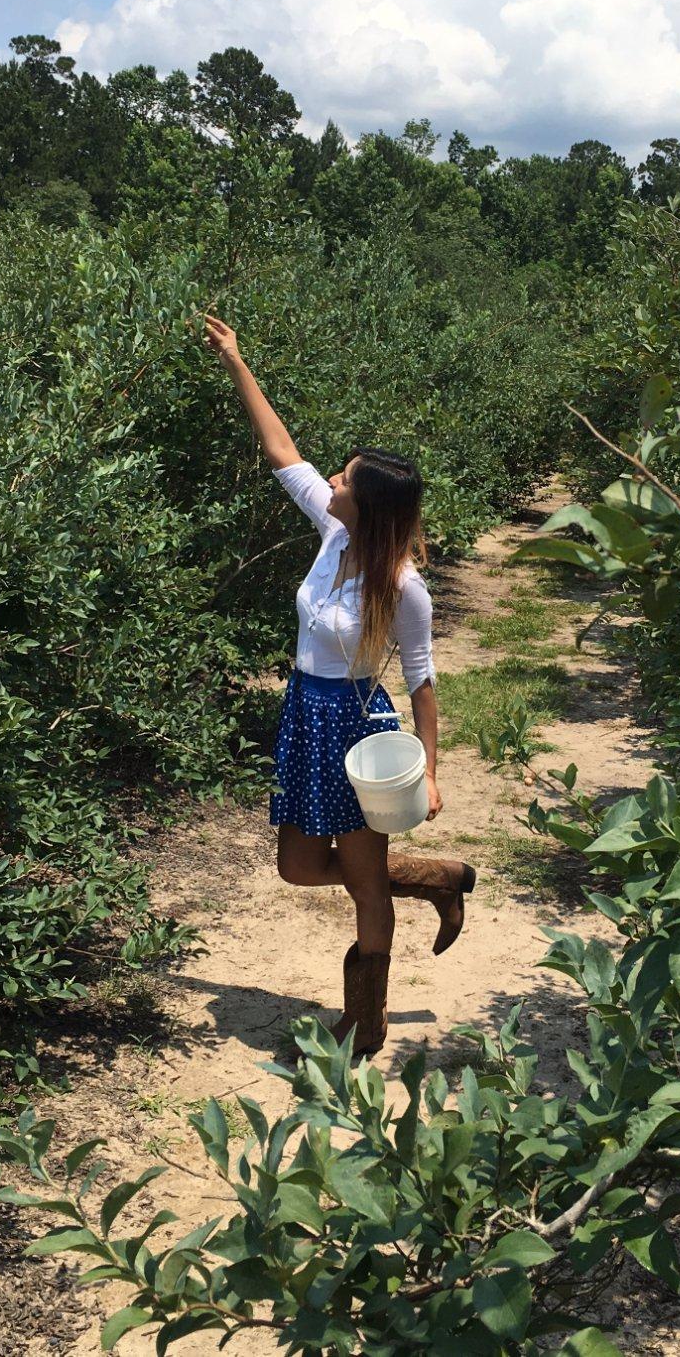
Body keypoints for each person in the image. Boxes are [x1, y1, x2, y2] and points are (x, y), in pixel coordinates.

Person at [202, 312, 476, 1058]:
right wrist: (236, 358)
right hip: (305, 714)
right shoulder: (334, 533)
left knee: (362, 886)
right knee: (297, 866)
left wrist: (431, 771)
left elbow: (422, 682)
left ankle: (366, 1023)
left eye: (344, 478)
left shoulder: (403, 587)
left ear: (367, 503)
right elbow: (280, 449)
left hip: (356, 729)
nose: (330, 480)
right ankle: (435, 880)